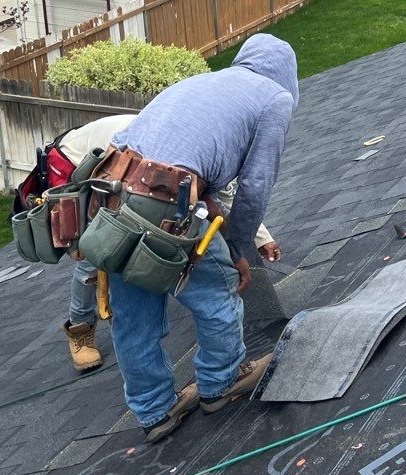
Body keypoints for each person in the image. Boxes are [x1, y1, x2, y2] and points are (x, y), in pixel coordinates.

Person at [105, 34, 297, 443]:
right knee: (216, 288)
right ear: (288, 75)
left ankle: (155, 410)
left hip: (107, 197)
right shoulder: (274, 99)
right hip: (163, 203)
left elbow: (188, 162)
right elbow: (255, 187)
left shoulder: (198, 84)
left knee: (133, 310)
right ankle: (222, 381)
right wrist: (238, 251)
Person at [50, 118, 284, 373]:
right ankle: (80, 327)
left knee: (156, 227)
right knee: (97, 249)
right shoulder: (176, 147)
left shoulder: (208, 148)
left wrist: (262, 238)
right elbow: (212, 205)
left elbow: (226, 196)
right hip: (77, 163)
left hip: (131, 171)